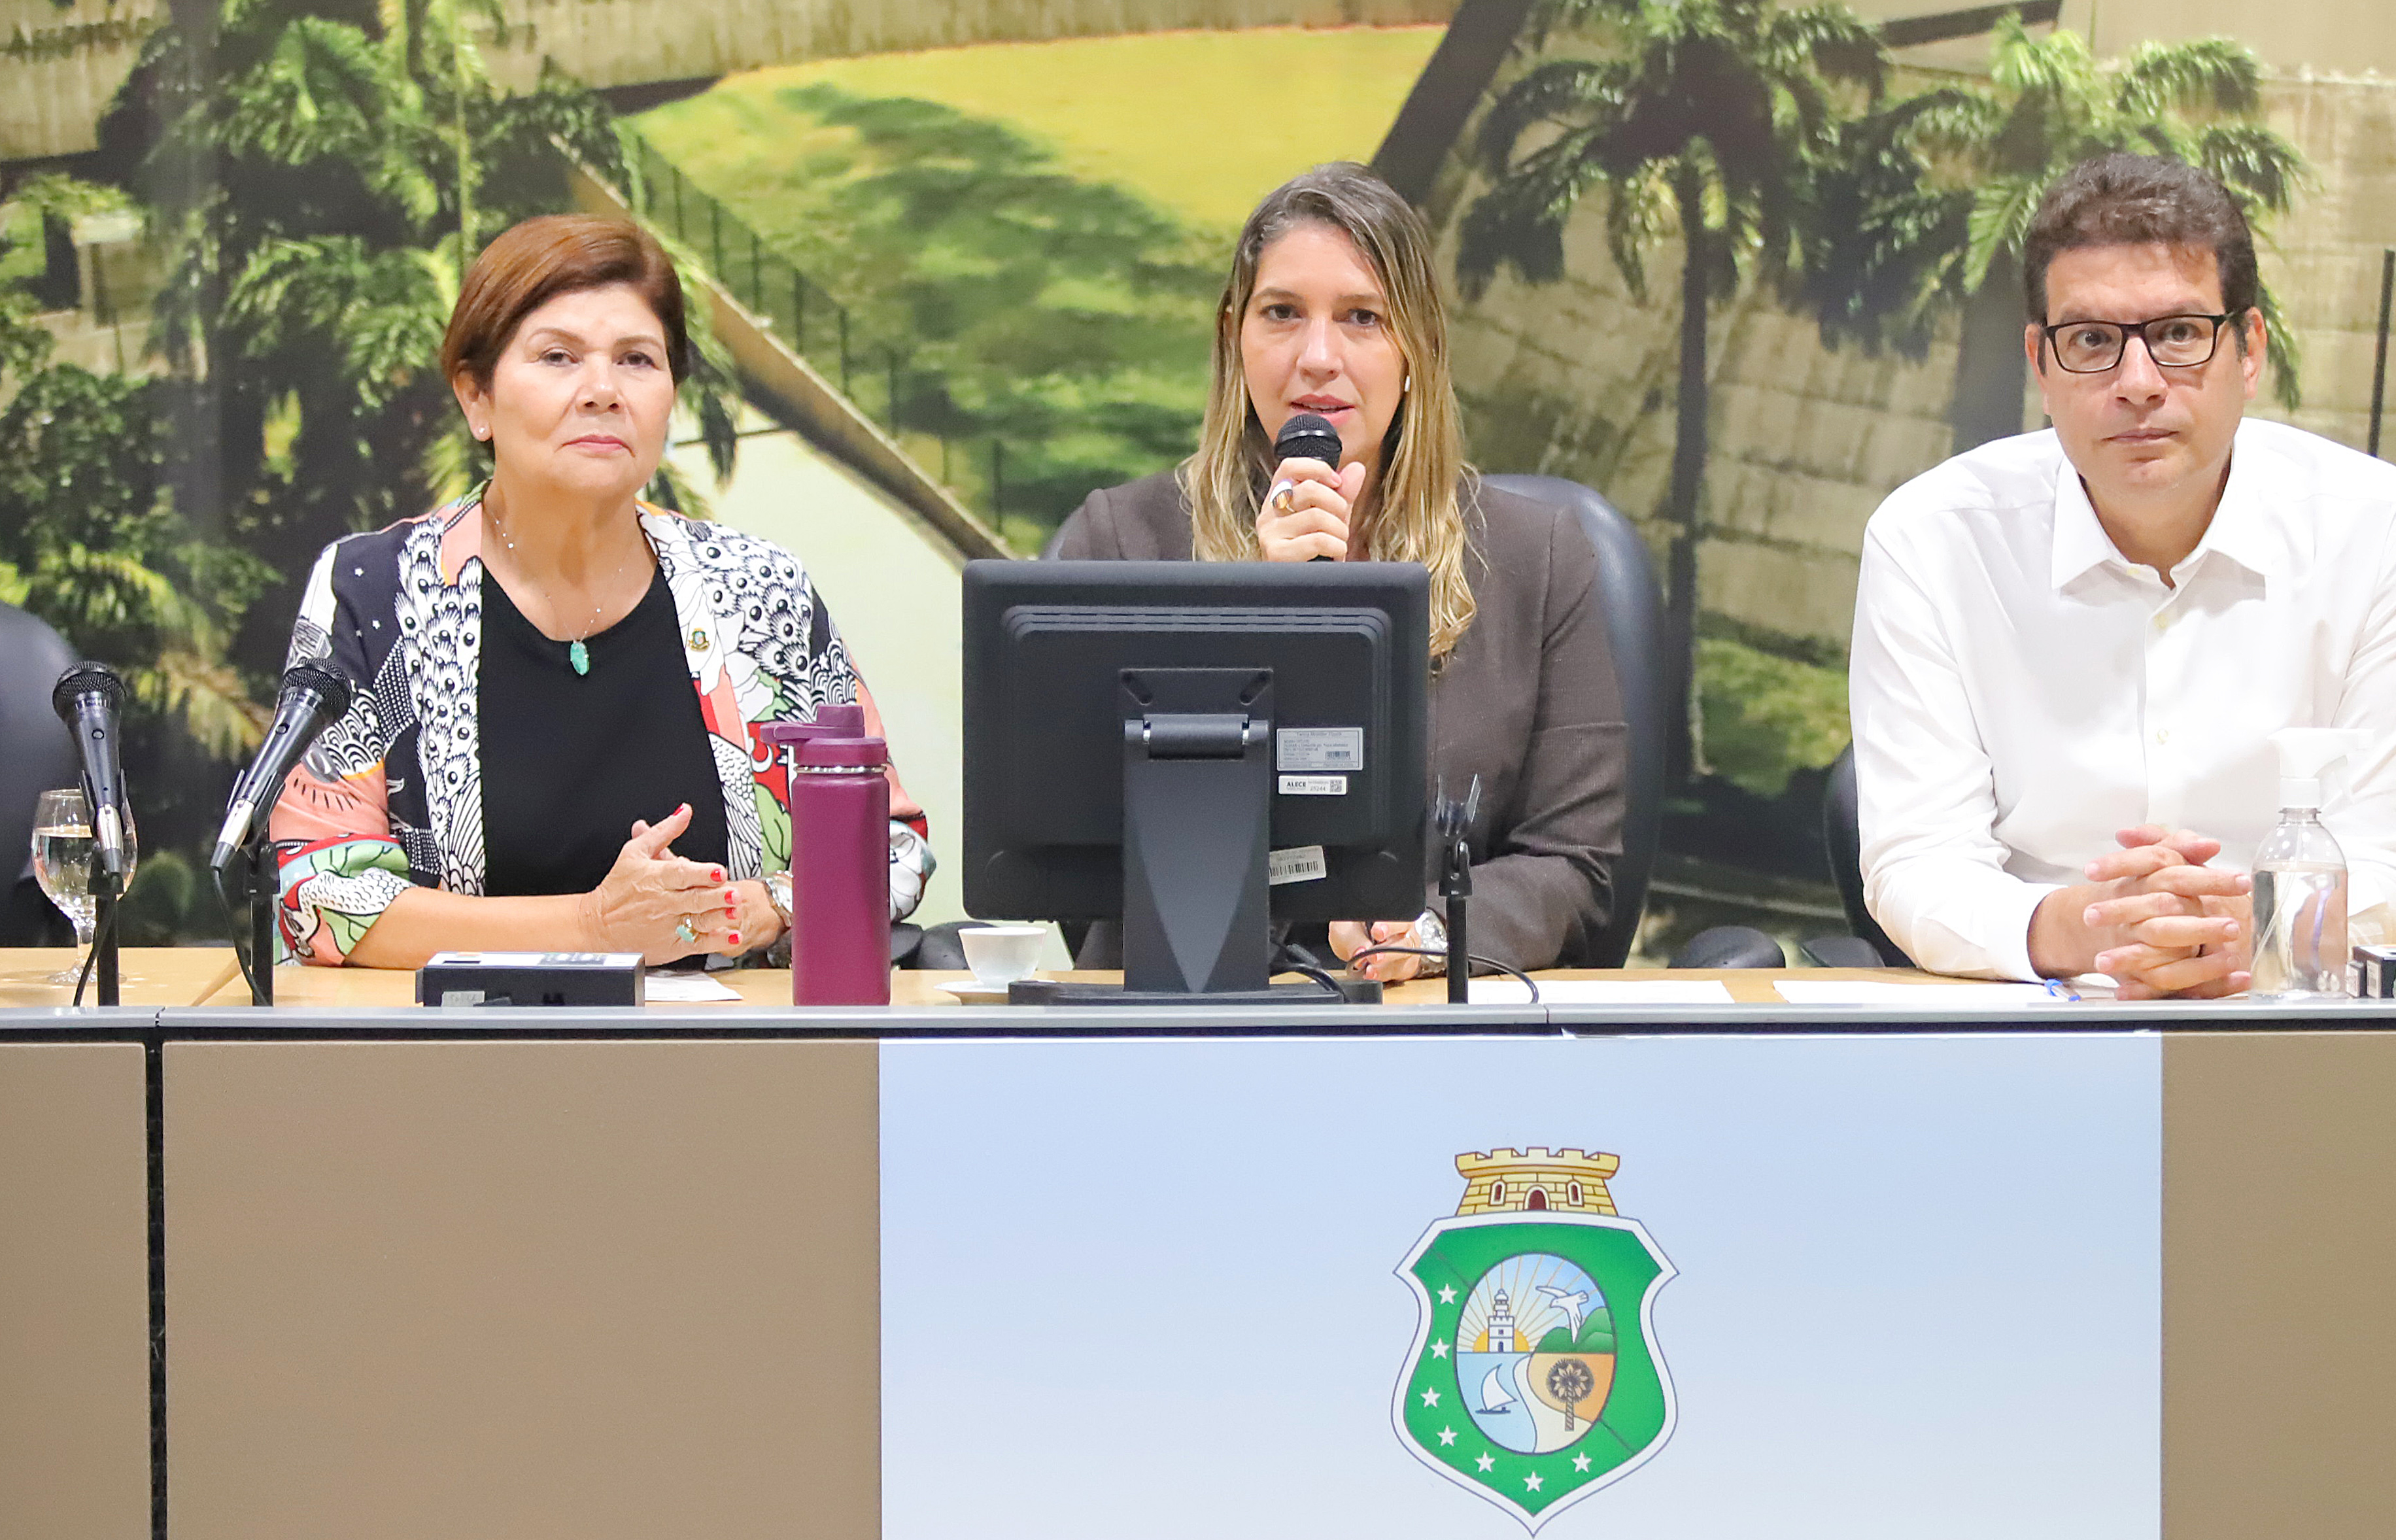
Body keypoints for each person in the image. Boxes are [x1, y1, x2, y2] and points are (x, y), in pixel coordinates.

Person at [1848, 154, 2396, 996]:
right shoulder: (1930, 540)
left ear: (2248, 350)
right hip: (2027, 1005)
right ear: (2039, 365)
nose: (2136, 384)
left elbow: (2390, 858)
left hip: (2286, 1006)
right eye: (2091, 341)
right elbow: (1917, 861)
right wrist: (2084, 928)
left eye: (2177, 334)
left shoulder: (2385, 532)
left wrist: (2243, 933)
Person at [268, 214, 932, 967]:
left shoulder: (759, 591)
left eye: (637, 360)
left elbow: (890, 847)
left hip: (726, 1034)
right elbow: (316, 890)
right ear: (476, 397)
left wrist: (765, 908)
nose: (603, 391)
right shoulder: (375, 590)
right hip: (468, 1037)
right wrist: (593, 928)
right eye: (558, 356)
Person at [1050, 162, 1626, 982]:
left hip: (1422, 1023)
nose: (1317, 357)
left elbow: (1575, 864)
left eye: (1362, 317)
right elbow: (1080, 866)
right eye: (1282, 313)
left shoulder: (1537, 557)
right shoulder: (1120, 542)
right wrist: (1255, 619)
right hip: (1191, 1012)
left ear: (1417, 347)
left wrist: (1427, 935)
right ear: (1233, 335)